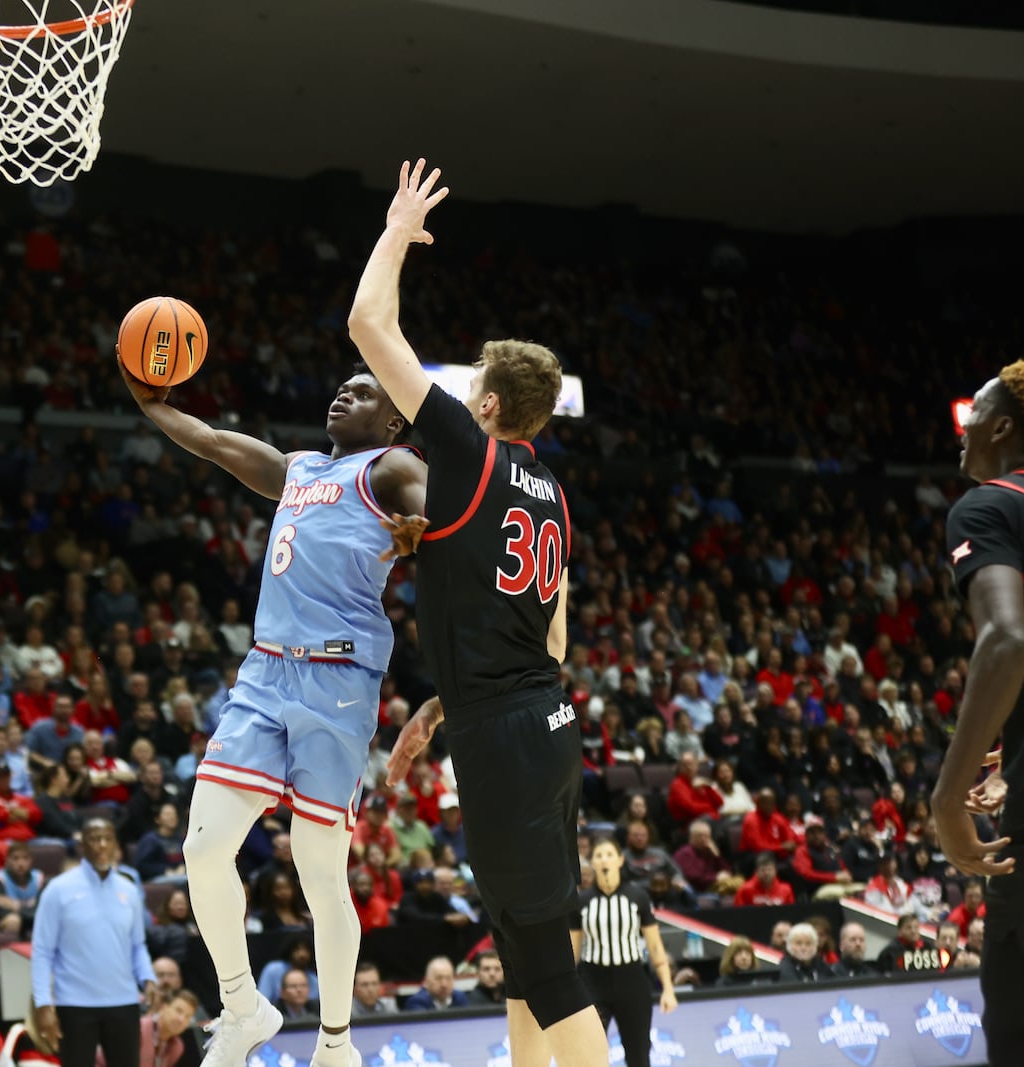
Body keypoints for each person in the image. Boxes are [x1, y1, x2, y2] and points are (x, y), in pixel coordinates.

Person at [364, 161, 608, 1066]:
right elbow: (552, 638)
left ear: (491, 405)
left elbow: (368, 326)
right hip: (541, 721)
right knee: (519, 947)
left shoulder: (469, 449)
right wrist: (443, 705)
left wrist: (397, 230)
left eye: (472, 391)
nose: (462, 401)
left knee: (543, 963)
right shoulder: (552, 492)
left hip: (507, 735)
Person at [123, 340, 426, 1067]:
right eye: (342, 389)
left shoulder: (392, 466)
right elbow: (217, 443)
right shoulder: (300, 467)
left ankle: (335, 1042)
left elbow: (445, 520)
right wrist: (149, 400)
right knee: (201, 848)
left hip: (339, 680)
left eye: (362, 394)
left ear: (392, 422)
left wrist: (431, 532)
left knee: (322, 873)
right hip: (264, 675)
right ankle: (242, 1005)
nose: (342, 398)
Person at [930, 360, 1024, 1066]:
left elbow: (1006, 637)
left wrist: (946, 797)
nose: (962, 429)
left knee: (1017, 1029)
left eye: (975, 415)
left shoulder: (992, 505)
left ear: (1001, 427)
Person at [30, 819, 158, 1067]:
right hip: (74, 1004)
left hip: (124, 1002)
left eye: (107, 838)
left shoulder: (129, 890)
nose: (101, 845)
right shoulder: (57, 890)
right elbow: (43, 951)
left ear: (115, 845)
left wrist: (148, 977)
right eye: (94, 839)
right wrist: (43, 1002)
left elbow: (138, 946)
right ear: (81, 845)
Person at [569, 839, 676, 1067]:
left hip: (632, 982)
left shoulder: (637, 897)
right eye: (598, 855)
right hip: (592, 982)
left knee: (638, 1055)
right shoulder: (581, 902)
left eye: (609, 854)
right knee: (590, 1056)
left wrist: (668, 988)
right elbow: (572, 953)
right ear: (592, 863)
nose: (604, 859)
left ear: (620, 860)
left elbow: (655, 946)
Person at [401, 958, 466, 1012]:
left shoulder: (460, 998)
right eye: (438, 978)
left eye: (448, 978)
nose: (444, 984)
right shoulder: (417, 1002)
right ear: (426, 982)